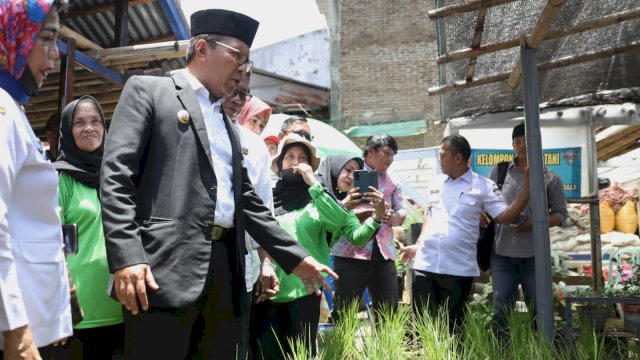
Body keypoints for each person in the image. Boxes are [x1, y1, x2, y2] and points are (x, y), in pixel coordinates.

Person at [100, 9, 337, 359]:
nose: (243, 69)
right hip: (161, 270)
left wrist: (294, 257)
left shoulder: (225, 122)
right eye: (237, 56)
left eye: (248, 62)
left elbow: (245, 198)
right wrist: (127, 258)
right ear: (202, 48)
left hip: (225, 273)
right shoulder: (150, 91)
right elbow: (117, 177)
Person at [250, 134, 385, 359]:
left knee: (301, 353)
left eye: (302, 158)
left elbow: (340, 221)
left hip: (305, 290)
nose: (295, 162)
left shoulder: (320, 198)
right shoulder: (267, 198)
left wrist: (313, 183)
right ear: (280, 163)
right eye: (289, 157)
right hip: (267, 291)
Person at [399, 134, 530, 333]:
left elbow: (505, 216)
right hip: (426, 264)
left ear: (458, 158)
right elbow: (430, 217)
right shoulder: (435, 183)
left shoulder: (483, 186)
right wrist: (418, 245)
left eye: (443, 155)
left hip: (458, 269)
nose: (439, 159)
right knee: (423, 326)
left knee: (453, 327)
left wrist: (527, 190)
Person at [0, 1, 72, 358]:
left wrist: (55, 299)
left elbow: (26, 223)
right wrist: (17, 333)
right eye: (46, 38)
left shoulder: (13, 108)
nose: (55, 55)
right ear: (12, 35)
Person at [54, 96, 124, 358]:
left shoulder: (117, 178)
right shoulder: (60, 179)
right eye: (79, 123)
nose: (89, 128)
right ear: (67, 132)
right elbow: (49, 247)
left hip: (119, 309)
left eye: (96, 121)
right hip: (75, 315)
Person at [490, 123, 567, 339]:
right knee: (501, 311)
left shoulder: (551, 179)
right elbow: (489, 205)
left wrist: (533, 223)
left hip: (535, 256)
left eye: (527, 141)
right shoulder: (500, 171)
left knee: (539, 310)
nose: (522, 146)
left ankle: (539, 350)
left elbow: (561, 215)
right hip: (502, 255)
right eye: (518, 142)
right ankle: (501, 352)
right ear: (513, 145)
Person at [221, 71, 280, 353]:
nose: (236, 98)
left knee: (234, 345)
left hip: (242, 266)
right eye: (231, 90)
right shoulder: (195, 130)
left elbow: (262, 209)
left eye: (243, 94)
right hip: (192, 264)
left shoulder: (255, 146)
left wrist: (266, 263)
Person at [330, 134, 406, 319]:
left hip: (384, 251)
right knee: (344, 310)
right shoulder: (347, 173)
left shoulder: (393, 181)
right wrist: (356, 211)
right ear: (370, 151)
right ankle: (340, 348)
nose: (390, 159)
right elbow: (333, 203)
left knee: (388, 311)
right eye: (386, 153)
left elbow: (402, 210)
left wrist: (393, 217)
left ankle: (386, 348)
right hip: (350, 251)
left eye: (392, 156)